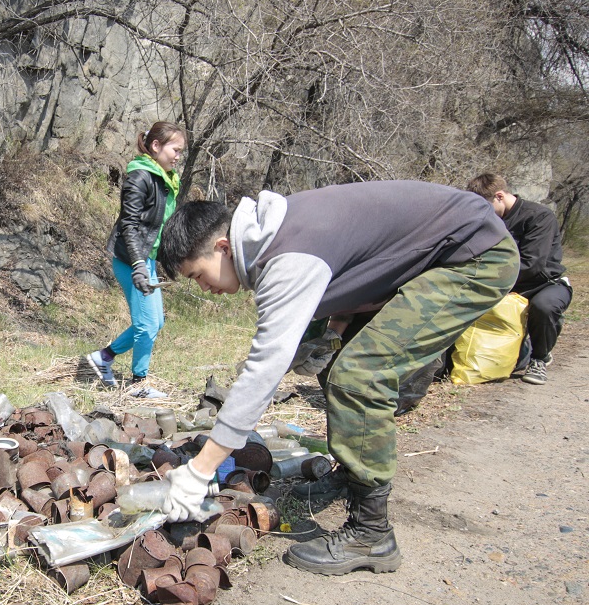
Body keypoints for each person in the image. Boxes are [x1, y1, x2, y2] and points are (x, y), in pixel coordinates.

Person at [154, 181, 519, 576]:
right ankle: (351, 472)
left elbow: (266, 366)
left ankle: (371, 533)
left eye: (198, 275)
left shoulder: (287, 254)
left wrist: (201, 469)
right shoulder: (274, 234)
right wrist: (336, 331)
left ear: (223, 247)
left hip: (472, 256)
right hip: (434, 254)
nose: (206, 289)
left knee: (359, 376)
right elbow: (364, 264)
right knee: (338, 365)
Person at [85, 122, 185, 399]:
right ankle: (138, 384)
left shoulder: (164, 179)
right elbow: (128, 225)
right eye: (175, 150)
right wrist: (139, 264)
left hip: (146, 260)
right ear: (156, 146)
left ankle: (104, 356)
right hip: (132, 260)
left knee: (156, 323)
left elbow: (158, 226)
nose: (178, 156)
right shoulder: (141, 176)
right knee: (146, 325)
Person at [466, 174, 572, 385]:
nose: (483, 212)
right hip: (504, 282)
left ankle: (540, 358)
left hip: (543, 284)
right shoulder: (489, 220)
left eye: (485, 206)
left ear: (499, 196)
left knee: (544, 307)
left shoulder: (539, 216)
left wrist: (490, 279)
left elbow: (533, 264)